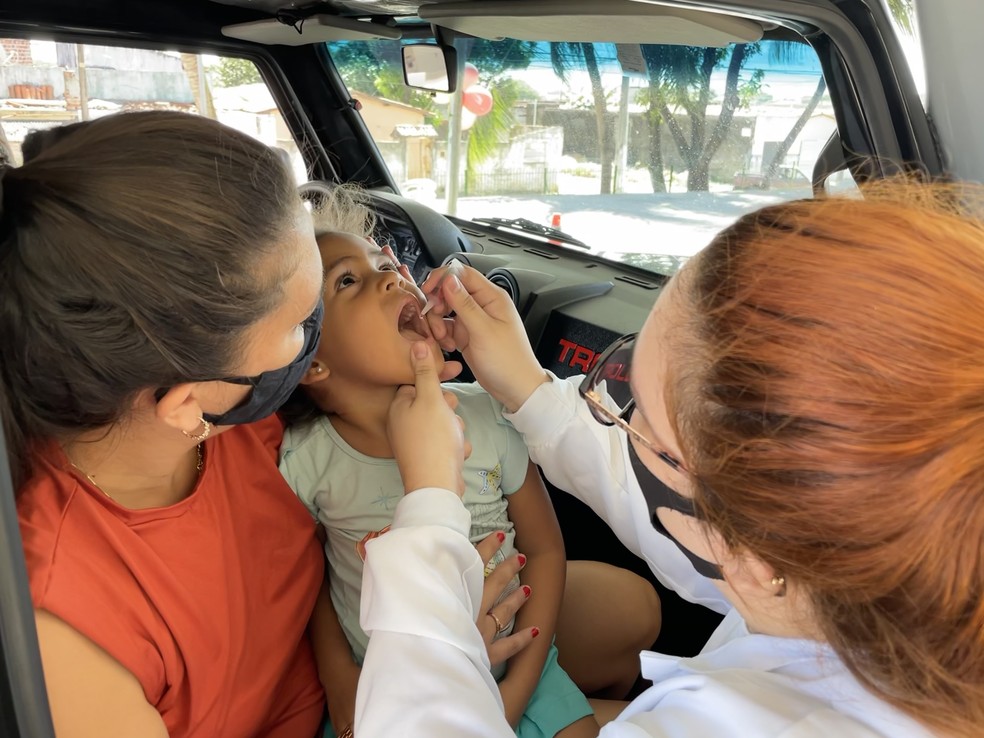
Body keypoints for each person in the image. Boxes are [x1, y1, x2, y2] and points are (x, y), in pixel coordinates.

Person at [354, 182, 984, 737]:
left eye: (634, 419)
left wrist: (431, 507)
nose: (617, 422)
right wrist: (525, 385)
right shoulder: (872, 588)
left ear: (754, 557)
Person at [277, 187, 660, 738]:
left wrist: (516, 692)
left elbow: (545, 548)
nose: (392, 275)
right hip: (386, 683)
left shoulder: (490, 416)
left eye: (387, 262)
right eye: (348, 280)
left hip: (523, 662)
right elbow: (308, 583)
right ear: (309, 361)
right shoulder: (306, 460)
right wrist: (339, 681)